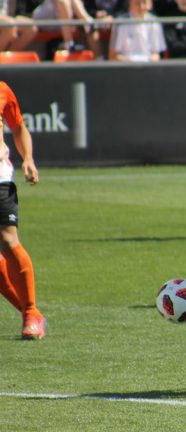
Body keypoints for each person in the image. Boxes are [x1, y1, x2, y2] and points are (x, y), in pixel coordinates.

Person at [0, 81, 44, 340]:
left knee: (7, 238)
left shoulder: (3, 89)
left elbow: (18, 127)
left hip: (0, 176)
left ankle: (31, 312)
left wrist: (28, 159)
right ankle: (31, 314)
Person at [32, 0, 99, 51]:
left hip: (63, 21)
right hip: (42, 18)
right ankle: (69, 43)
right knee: (63, 1)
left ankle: (87, 21)